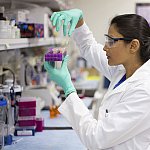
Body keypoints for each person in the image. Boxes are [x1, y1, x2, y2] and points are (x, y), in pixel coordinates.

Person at [44, 9, 150, 150]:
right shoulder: (123, 70)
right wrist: (79, 21)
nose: (105, 47)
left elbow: (96, 138)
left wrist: (68, 88)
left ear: (133, 46)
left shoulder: (144, 91)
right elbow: (89, 47)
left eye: (111, 41)